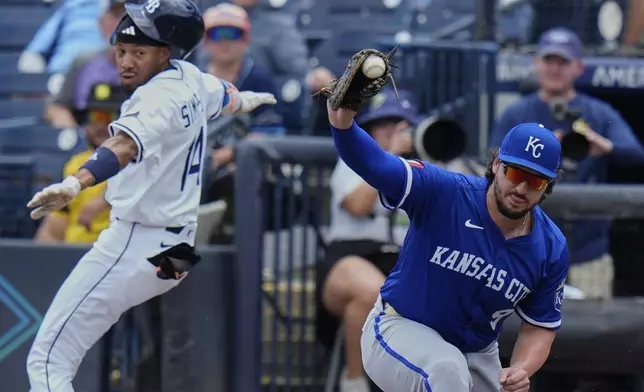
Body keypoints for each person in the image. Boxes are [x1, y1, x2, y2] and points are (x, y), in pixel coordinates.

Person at [24, 1, 276, 390]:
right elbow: (225, 95)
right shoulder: (193, 78)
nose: (125, 61)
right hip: (178, 252)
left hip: (136, 244)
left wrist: (76, 183)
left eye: (139, 53)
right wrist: (249, 100)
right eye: (122, 51)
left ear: (165, 53)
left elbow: (122, 146)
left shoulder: (155, 99)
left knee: (47, 361)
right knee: (160, 343)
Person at [328, 100, 569, 391]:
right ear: (496, 164)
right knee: (446, 369)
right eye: (516, 173)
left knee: (452, 368)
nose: (521, 188)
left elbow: (540, 325)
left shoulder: (551, 247)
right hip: (400, 327)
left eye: (536, 181)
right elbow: (376, 165)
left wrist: (520, 368)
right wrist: (342, 124)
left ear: (548, 186)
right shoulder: (446, 191)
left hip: (478, 352)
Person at [490, 27, 644, 300]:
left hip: (587, 253)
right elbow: (491, 163)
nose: (555, 69)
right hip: (526, 250)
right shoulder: (518, 112)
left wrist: (603, 147)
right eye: (549, 60)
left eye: (563, 62)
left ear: (579, 67)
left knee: (593, 334)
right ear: (536, 63)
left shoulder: (598, 112)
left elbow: (635, 154)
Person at [316, 88, 416, 392]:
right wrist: (391, 159)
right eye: (385, 124)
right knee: (372, 290)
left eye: (401, 125)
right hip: (349, 258)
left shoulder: (424, 169)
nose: (392, 132)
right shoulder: (353, 160)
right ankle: (355, 381)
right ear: (370, 129)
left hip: (402, 261)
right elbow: (357, 206)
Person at [34, 84, 117, 243]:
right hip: (74, 250)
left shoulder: (134, 159)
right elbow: (55, 223)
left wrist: (105, 199)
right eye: (95, 118)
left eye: (107, 118)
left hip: (116, 248)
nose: (100, 125)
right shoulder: (74, 163)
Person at [45, 0, 126, 128]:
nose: (120, 24)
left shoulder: (150, 68)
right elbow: (57, 108)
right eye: (115, 16)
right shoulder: (83, 63)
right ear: (101, 23)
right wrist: (76, 136)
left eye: (126, 17)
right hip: (90, 143)